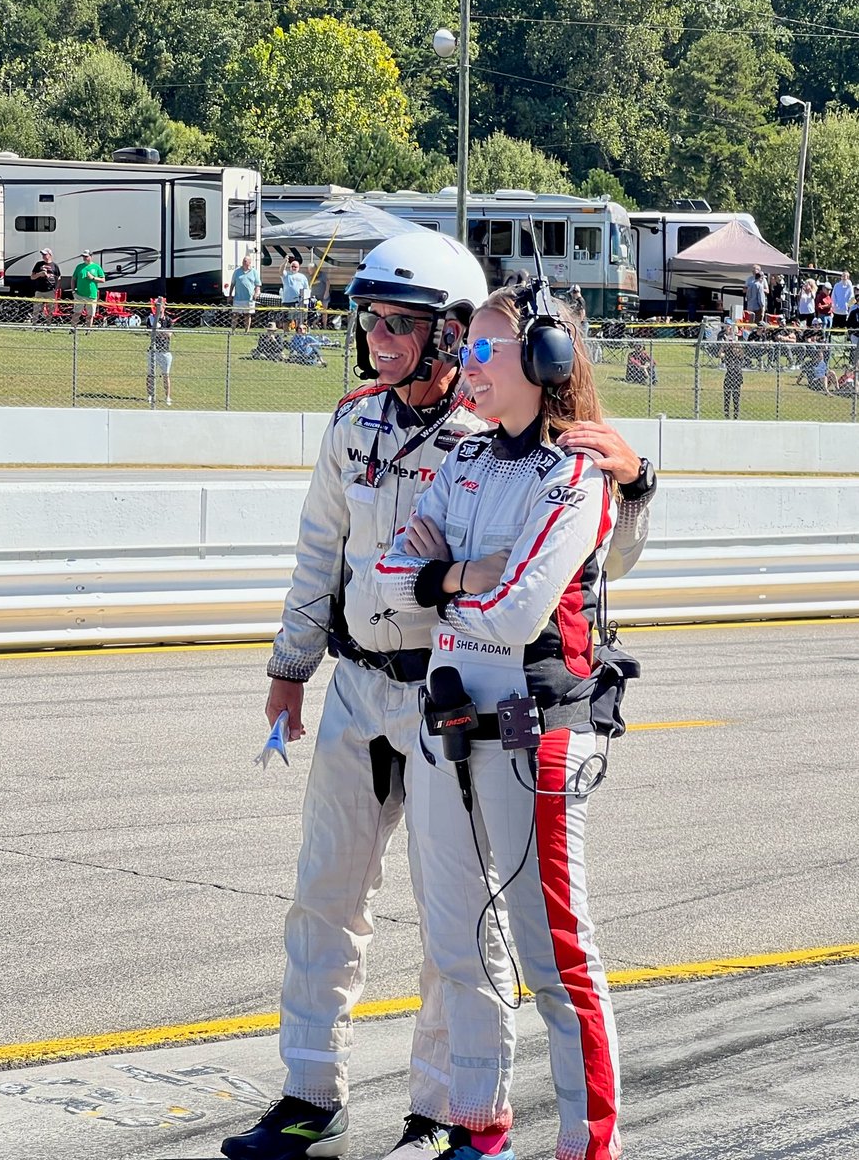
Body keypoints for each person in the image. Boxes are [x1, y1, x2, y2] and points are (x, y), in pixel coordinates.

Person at [219, 234, 657, 1160]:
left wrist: (637, 480)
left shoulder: (495, 437)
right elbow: (323, 554)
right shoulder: (353, 424)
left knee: (455, 925)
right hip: (356, 687)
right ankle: (310, 1098)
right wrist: (290, 666)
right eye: (369, 319)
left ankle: (440, 1114)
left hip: (450, 703)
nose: (378, 338)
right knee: (322, 901)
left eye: (401, 323)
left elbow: (592, 564)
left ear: (456, 335)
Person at [374, 281, 637, 1160]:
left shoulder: (578, 472)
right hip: (446, 725)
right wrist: (455, 578)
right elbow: (383, 578)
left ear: (547, 358)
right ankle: (480, 1125)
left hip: (539, 737)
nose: (467, 363)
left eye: (485, 347)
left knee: (555, 952)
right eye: (467, 347)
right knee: (457, 937)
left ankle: (587, 1145)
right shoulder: (466, 458)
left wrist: (441, 589)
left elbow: (522, 610)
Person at [146, 296, 174, 406]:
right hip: (153, 350)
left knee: (166, 374)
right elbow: (149, 333)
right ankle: (150, 395)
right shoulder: (151, 318)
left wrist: (160, 330)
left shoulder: (168, 320)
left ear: (164, 307)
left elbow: (169, 334)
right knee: (150, 374)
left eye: (160, 306)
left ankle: (167, 396)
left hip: (165, 351)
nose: (158, 309)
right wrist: (157, 331)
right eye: (156, 306)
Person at [69, 249, 105, 328]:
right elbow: (73, 279)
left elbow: (103, 280)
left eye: (86, 256)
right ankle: (72, 329)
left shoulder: (96, 267)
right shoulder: (79, 267)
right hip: (79, 294)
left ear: (91, 256)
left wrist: (93, 278)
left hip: (91, 295)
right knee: (77, 313)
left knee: (90, 315)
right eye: (83, 256)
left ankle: (88, 330)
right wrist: (73, 291)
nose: (84, 258)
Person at [30, 247, 61, 324]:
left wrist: (56, 289)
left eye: (45, 254)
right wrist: (39, 274)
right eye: (42, 254)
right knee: (36, 309)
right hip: (39, 290)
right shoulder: (39, 264)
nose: (43, 256)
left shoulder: (54, 265)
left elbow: (59, 278)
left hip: (50, 291)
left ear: (50, 255)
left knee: (50, 310)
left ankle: (48, 325)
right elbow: (32, 277)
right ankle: (34, 325)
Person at [232, 254, 261, 330]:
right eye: (243, 261)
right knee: (235, 315)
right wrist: (229, 295)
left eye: (245, 261)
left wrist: (256, 293)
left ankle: (246, 330)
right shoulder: (237, 271)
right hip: (238, 298)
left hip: (249, 298)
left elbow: (257, 285)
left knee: (247, 315)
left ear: (249, 262)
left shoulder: (254, 272)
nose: (243, 262)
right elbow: (232, 284)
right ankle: (233, 330)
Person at [721, 333, 745, 418]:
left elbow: (740, 353)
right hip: (729, 375)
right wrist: (724, 346)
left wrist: (736, 345)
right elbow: (720, 355)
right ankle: (726, 413)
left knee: (736, 396)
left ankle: (736, 413)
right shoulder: (728, 352)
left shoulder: (740, 353)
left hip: (737, 376)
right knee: (727, 395)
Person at [281, 256, 310, 324]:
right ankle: (286, 334)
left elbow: (307, 289)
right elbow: (280, 271)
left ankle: (298, 334)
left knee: (299, 320)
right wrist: (285, 262)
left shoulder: (302, 277)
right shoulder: (286, 274)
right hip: (287, 301)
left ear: (299, 268)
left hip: (299, 301)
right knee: (286, 320)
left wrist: (306, 301)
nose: (294, 268)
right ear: (290, 267)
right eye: (292, 266)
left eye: (295, 267)